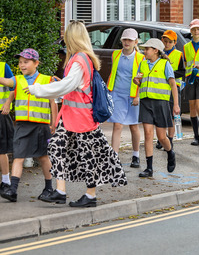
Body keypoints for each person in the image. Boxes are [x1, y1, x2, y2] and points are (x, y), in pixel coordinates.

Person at [31, 20, 126, 208]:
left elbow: (68, 86)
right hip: (72, 116)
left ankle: (90, 195)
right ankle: (60, 191)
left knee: (87, 156)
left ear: (72, 37)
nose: (64, 40)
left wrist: (38, 89)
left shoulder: (80, 59)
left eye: (67, 36)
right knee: (58, 148)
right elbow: (69, 87)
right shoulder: (79, 58)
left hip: (81, 118)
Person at [0, 49, 57, 203]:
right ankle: (13, 190)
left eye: (26, 62)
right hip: (22, 125)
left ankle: (49, 187)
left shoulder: (47, 80)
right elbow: (5, 82)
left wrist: (54, 122)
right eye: (20, 62)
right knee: (18, 156)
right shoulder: (17, 80)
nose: (22, 65)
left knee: (43, 157)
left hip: (41, 125)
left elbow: (53, 102)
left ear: (36, 63)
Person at [134, 38, 178, 177]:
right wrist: (137, 81)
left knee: (161, 137)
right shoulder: (143, 64)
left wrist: (175, 105)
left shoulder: (165, 64)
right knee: (148, 134)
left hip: (161, 103)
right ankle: (149, 168)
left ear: (156, 50)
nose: (144, 51)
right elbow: (139, 80)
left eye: (147, 49)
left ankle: (170, 152)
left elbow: (173, 85)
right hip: (146, 102)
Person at [107, 29, 144, 167]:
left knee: (134, 126)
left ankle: (136, 155)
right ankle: (114, 157)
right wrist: (108, 92)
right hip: (117, 93)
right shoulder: (115, 54)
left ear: (136, 42)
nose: (127, 42)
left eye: (130, 40)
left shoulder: (141, 58)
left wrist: (138, 95)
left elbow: (142, 79)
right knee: (117, 125)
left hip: (132, 96)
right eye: (124, 39)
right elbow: (113, 74)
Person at [159, 30, 184, 149]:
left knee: (173, 115)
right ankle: (161, 138)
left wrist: (170, 74)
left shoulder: (179, 54)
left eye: (170, 42)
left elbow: (182, 71)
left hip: (174, 88)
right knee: (163, 114)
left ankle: (170, 138)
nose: (167, 44)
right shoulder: (158, 53)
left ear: (174, 43)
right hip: (160, 88)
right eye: (165, 41)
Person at [0, 60, 14, 194]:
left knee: (1, 150)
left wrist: (8, 103)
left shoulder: (3, 67)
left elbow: (13, 87)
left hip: (0, 113)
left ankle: (6, 181)